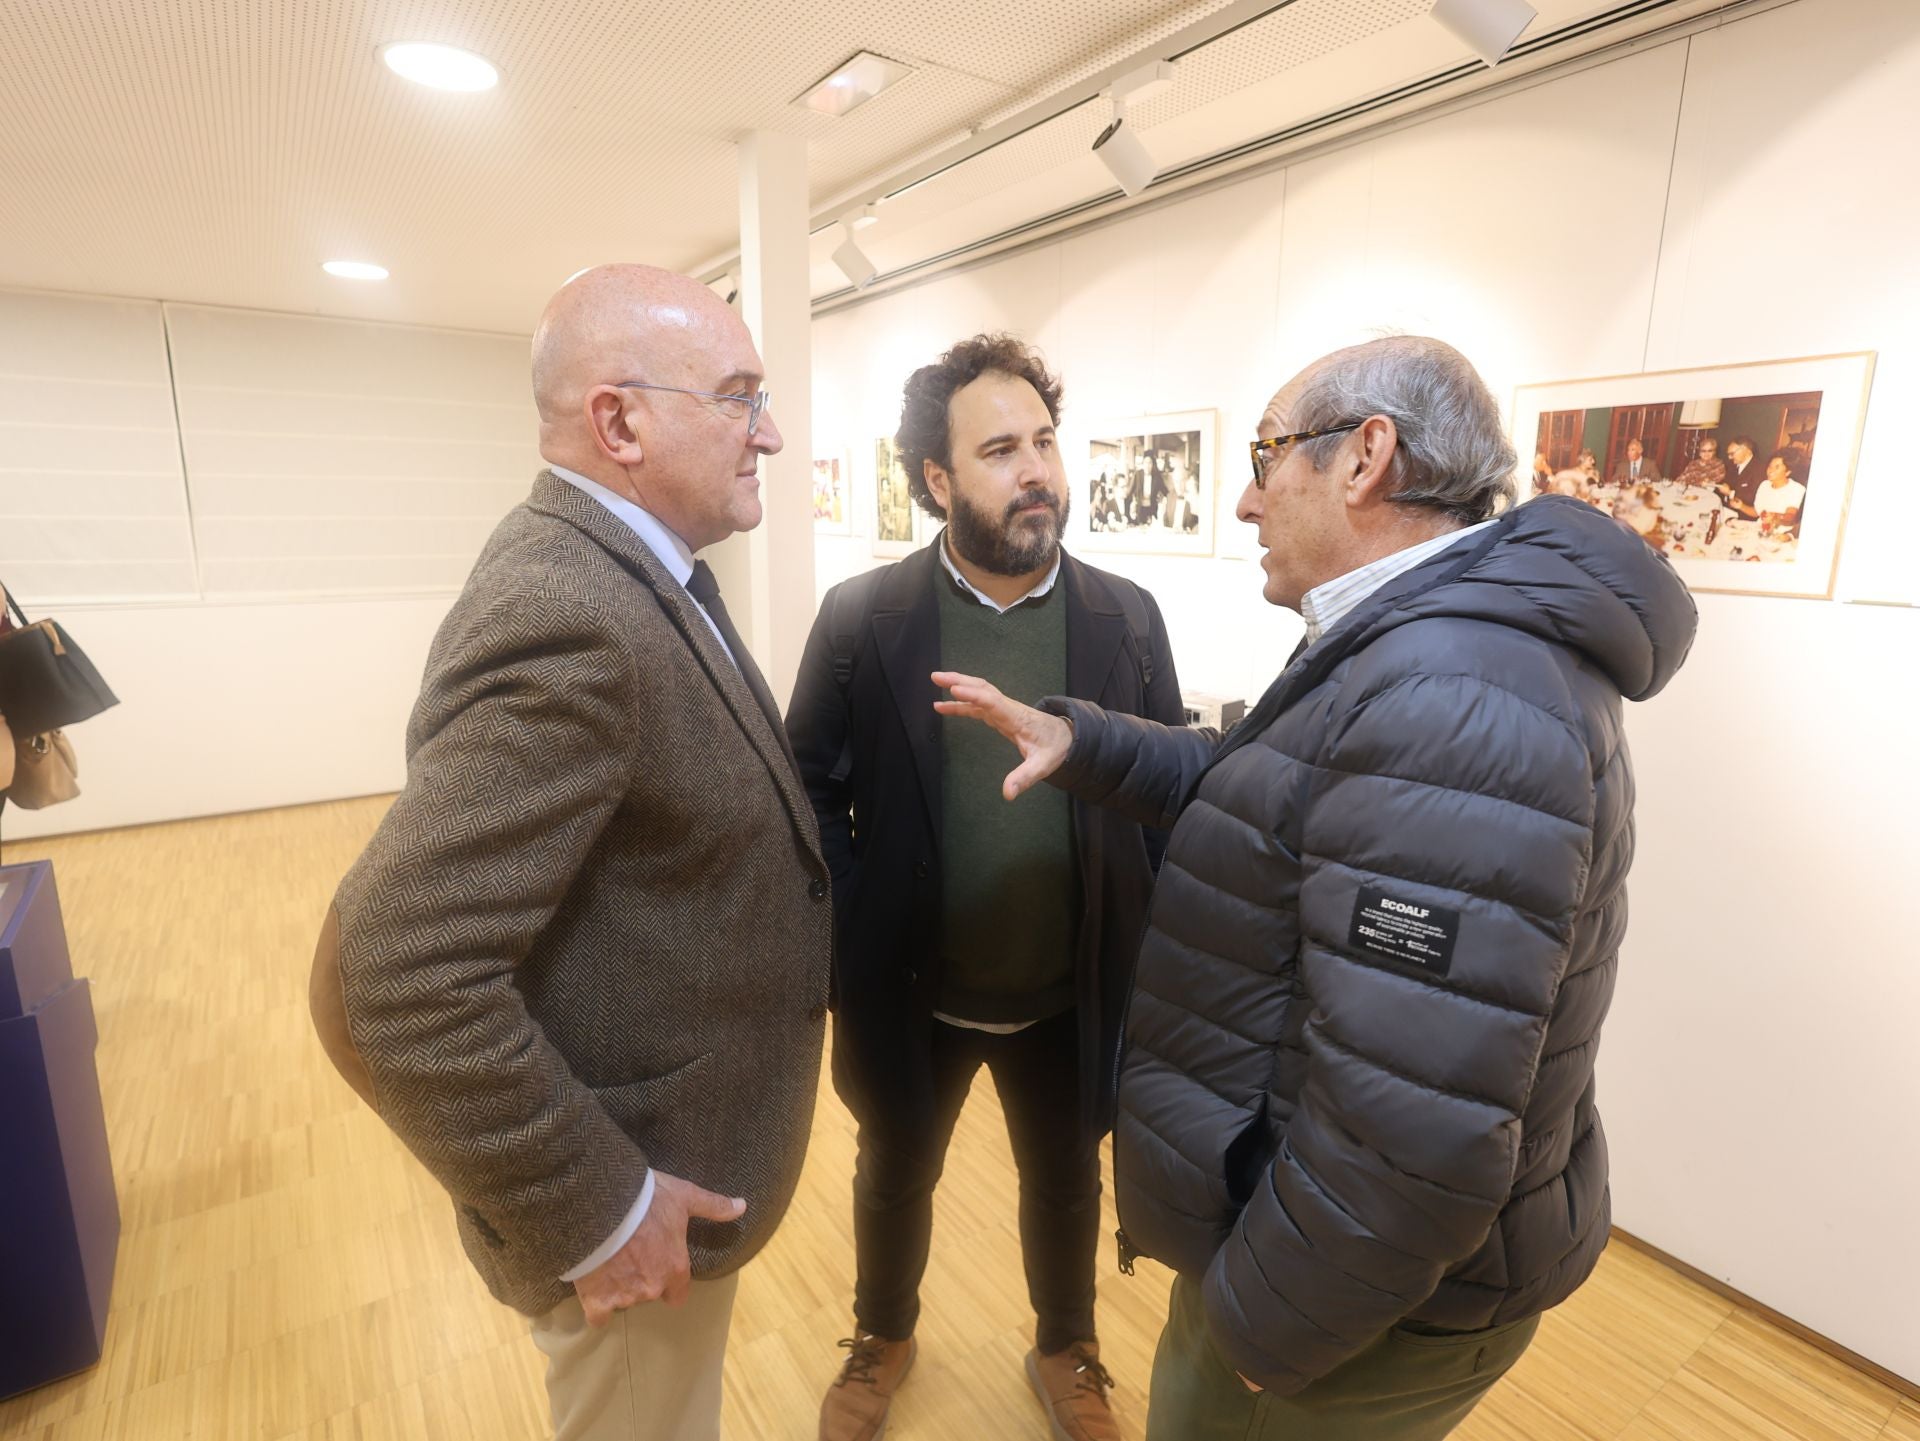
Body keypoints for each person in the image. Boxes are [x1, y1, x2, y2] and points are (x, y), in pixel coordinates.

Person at [933, 336, 1697, 1441]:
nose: (1245, 499)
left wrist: (1251, 1334)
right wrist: (1086, 738)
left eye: (1266, 453)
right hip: (1350, 1275)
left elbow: (1413, 1139)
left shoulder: (1448, 693)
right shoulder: (1423, 642)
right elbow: (1278, 792)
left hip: (1341, 1311)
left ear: (1366, 458)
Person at [307, 264, 833, 1441]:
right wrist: (603, 1209)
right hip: (638, 1195)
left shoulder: (636, 571)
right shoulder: (573, 609)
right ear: (621, 420)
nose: (774, 431)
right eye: (740, 395)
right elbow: (395, 972)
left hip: (677, 1152)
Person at [787, 334, 1185, 1441]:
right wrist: (852, 933)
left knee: (1065, 1181)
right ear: (936, 481)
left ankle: (1069, 1345)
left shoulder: (1126, 619)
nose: (1035, 471)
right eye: (1000, 448)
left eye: (1045, 442)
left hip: (1071, 987)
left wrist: (1150, 952)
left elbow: (1163, 792)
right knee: (893, 1168)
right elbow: (805, 790)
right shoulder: (865, 621)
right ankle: (883, 1334)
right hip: (912, 985)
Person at [1753, 450, 1809, 533]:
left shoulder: (1797, 489)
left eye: (1776, 467)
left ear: (1787, 472)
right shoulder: (1764, 485)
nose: (1770, 470)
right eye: (1770, 466)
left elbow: (1791, 516)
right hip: (1760, 529)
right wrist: (1740, 506)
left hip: (1782, 534)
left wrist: (1776, 516)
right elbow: (1757, 511)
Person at [1718, 435, 1766, 515]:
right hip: (1727, 510)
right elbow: (1726, 481)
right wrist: (1724, 485)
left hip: (1745, 516)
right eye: (1728, 454)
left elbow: (1752, 498)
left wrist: (1730, 493)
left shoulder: (1760, 469)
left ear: (1746, 450)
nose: (1729, 457)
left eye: (1732, 453)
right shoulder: (1732, 465)